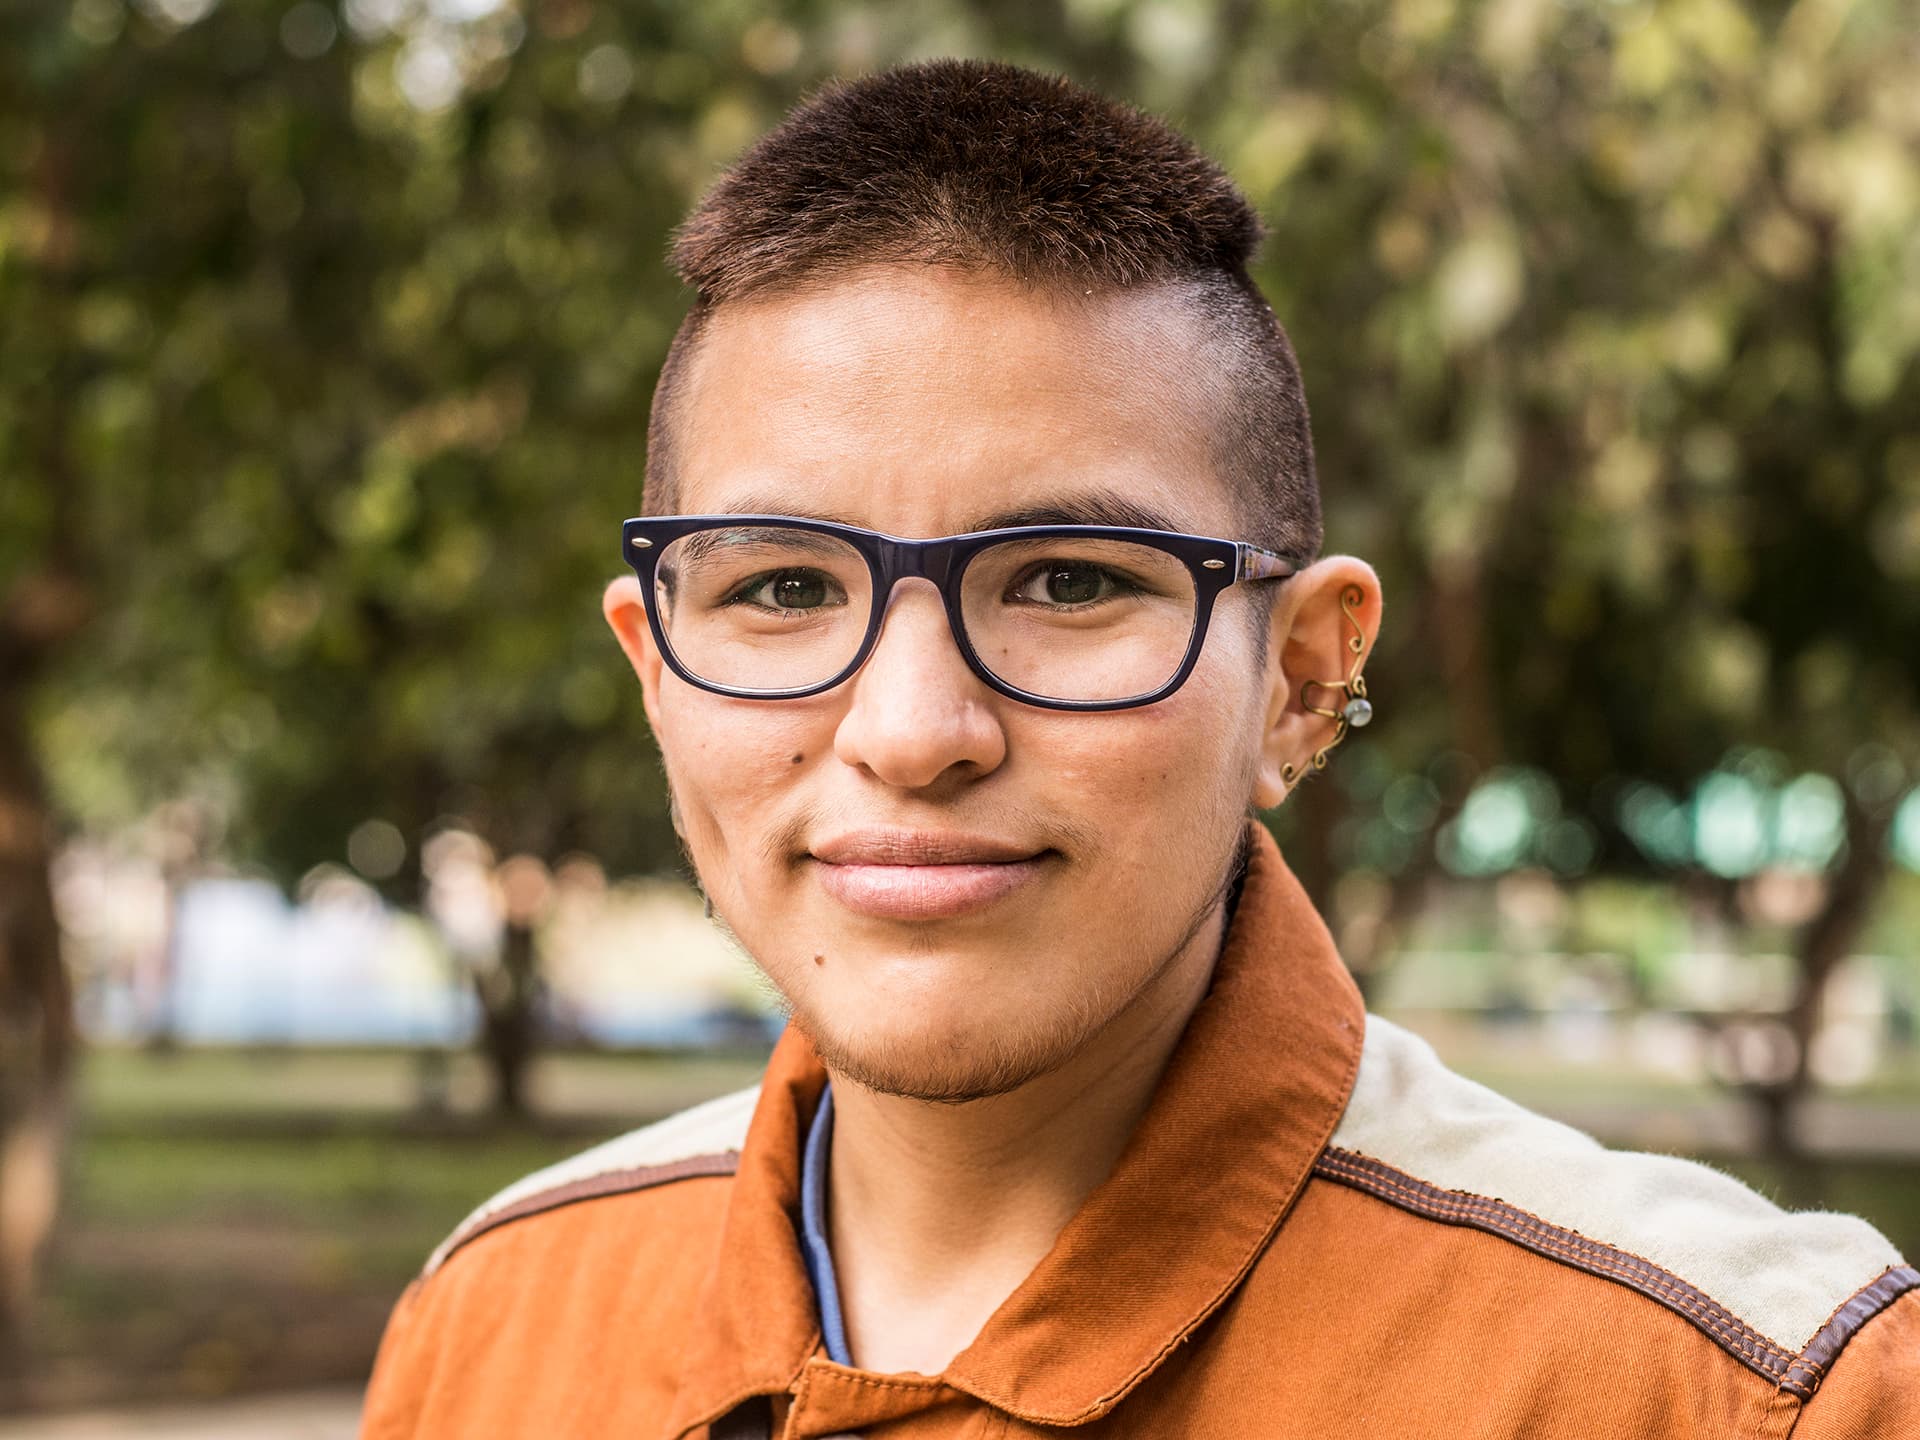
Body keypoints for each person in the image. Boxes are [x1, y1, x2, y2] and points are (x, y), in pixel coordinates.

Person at [359, 59, 1916, 1439]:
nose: (912, 733)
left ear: (1302, 680)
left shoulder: (1727, 1391)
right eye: (781, 589)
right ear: (655, 671)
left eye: (1070, 583)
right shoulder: (506, 1320)